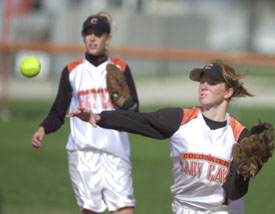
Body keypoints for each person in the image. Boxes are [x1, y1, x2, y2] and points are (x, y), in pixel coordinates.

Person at [67, 59, 256, 214]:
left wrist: (243, 173)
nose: (204, 87)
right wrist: (98, 117)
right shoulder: (179, 119)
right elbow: (138, 121)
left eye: (212, 83)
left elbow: (234, 191)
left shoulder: (241, 136)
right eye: (202, 82)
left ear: (228, 92)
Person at [32, 12, 139, 214]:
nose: (92, 38)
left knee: (125, 209)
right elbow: (58, 111)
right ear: (83, 37)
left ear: (107, 39)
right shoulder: (72, 71)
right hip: (83, 153)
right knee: (90, 210)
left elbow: (135, 111)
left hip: (115, 151)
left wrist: (126, 103)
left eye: (97, 34)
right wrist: (43, 128)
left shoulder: (119, 68)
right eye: (88, 33)